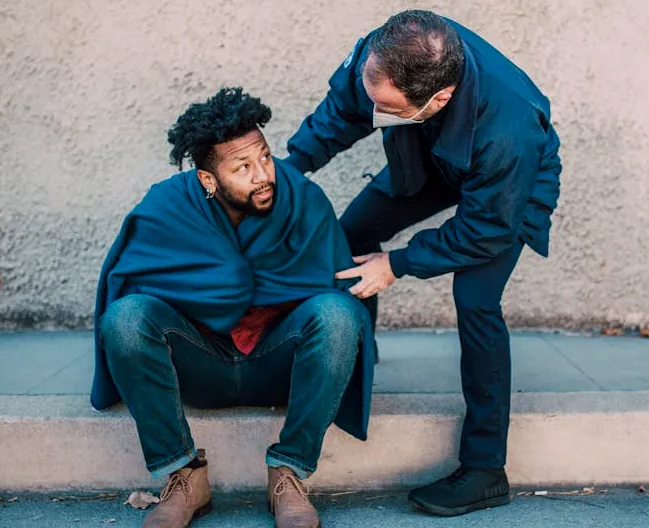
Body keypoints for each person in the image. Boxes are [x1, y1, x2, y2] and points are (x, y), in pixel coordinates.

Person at [286, 9, 562, 517]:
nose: (374, 110)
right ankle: (346, 366)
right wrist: (290, 169)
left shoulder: (510, 129)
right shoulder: (387, 52)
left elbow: (486, 230)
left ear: (438, 99)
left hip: (505, 186)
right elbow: (342, 111)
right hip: (425, 152)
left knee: (475, 300)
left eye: (384, 107)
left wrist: (397, 264)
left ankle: (485, 469)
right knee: (349, 240)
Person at [90, 87, 375, 528]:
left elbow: (341, 288)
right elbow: (127, 283)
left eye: (264, 156)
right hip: (199, 361)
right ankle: (183, 476)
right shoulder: (168, 207)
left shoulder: (303, 200)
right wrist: (221, 283)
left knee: (339, 313)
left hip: (280, 362)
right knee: (125, 318)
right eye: (243, 167)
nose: (263, 174)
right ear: (208, 180)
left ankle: (289, 471)